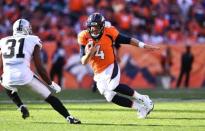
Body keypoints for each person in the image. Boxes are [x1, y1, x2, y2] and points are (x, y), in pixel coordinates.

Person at [78, 13, 159, 119]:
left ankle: (143, 98)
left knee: (113, 86)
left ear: (102, 26)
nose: (94, 30)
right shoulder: (83, 36)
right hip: (98, 72)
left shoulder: (109, 32)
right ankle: (139, 107)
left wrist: (143, 45)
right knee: (109, 96)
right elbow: (83, 61)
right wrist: (89, 53)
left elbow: (128, 40)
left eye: (96, 27)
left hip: (110, 65)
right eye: (91, 27)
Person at [0, 19, 81, 124]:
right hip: (25, 77)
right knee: (49, 97)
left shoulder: (3, 41)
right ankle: (69, 117)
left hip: (8, 78)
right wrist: (50, 83)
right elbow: (39, 67)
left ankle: (20, 105)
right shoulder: (32, 39)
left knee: (3, 80)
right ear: (26, 29)